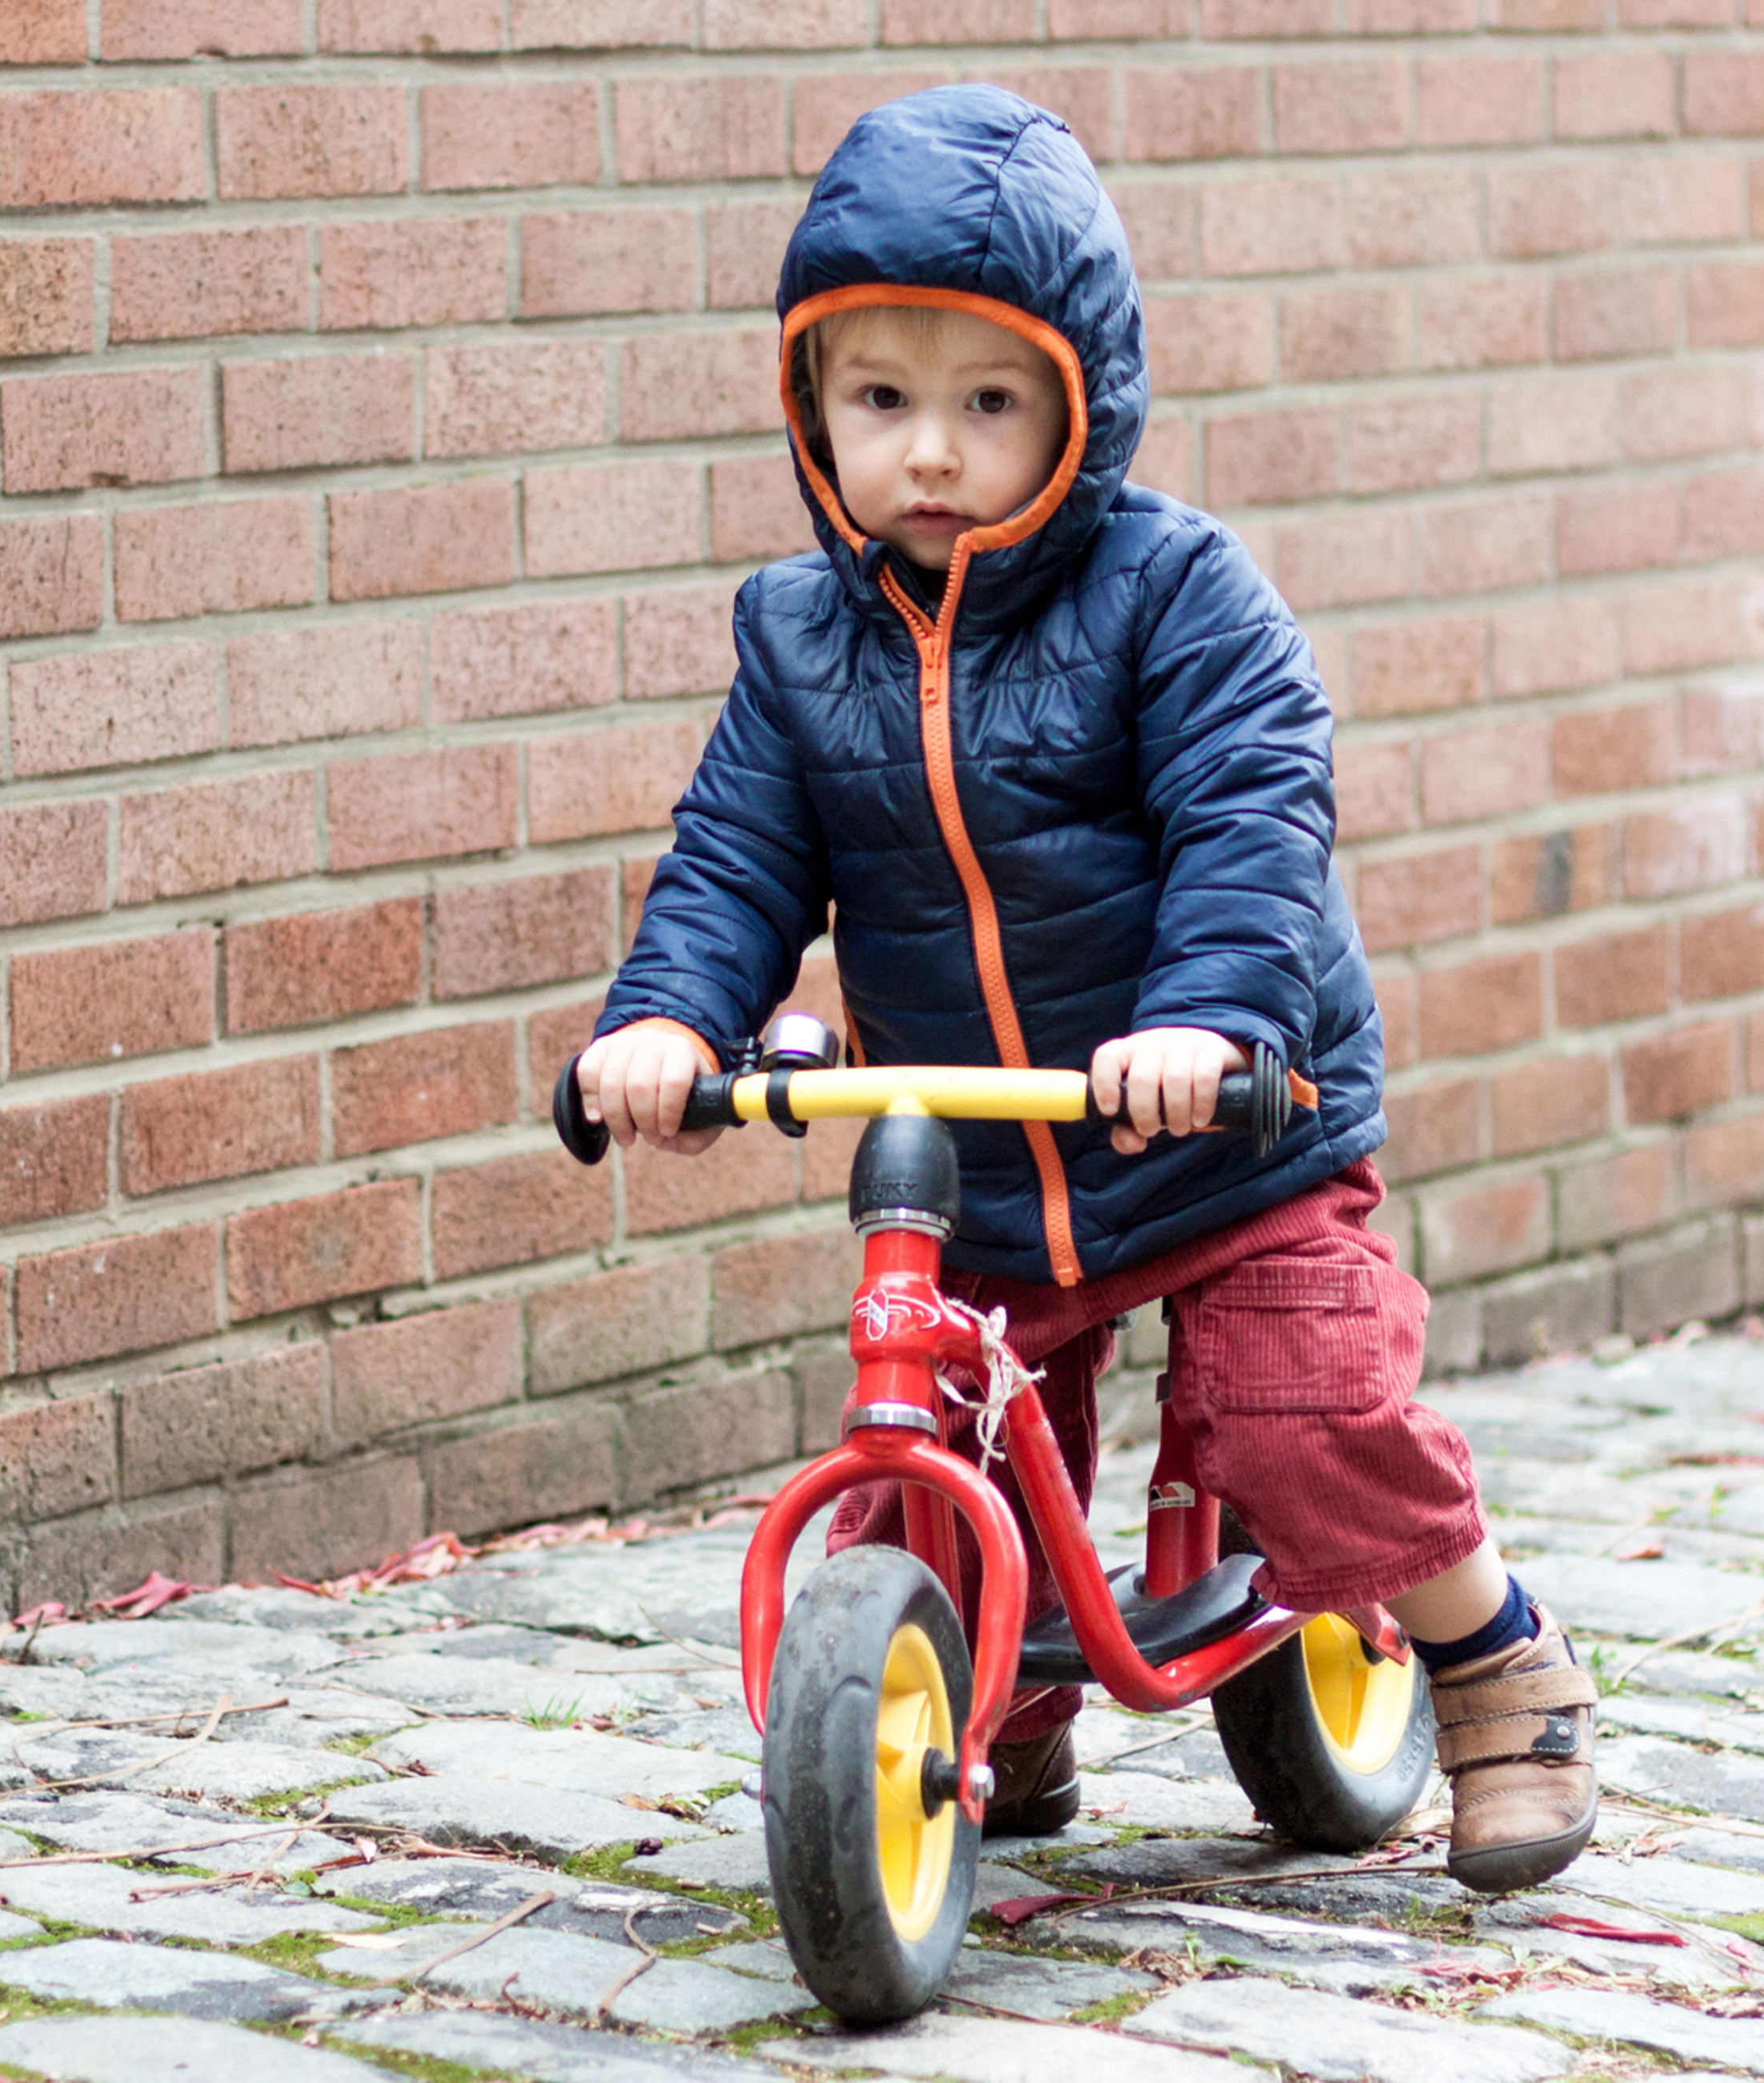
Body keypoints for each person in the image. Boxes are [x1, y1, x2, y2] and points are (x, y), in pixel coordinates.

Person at [571, 84, 1595, 1893]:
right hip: (970, 1155)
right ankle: (986, 1716)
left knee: (1307, 1414)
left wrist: (1205, 1022)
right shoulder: (795, 641)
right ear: (810, 405)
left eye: (987, 402)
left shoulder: (1171, 594)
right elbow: (737, 858)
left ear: (1077, 401)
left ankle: (1491, 1658)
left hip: (1213, 1137)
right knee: (926, 1452)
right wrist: (666, 1021)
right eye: (880, 401)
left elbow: (1249, 814)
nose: (932, 456)